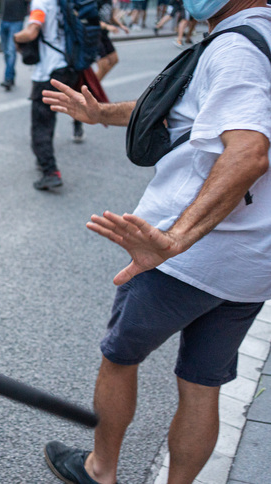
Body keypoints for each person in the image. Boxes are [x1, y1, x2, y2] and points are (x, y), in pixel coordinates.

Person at [40, 1, 271, 483]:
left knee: (120, 356)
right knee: (202, 385)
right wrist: (101, 113)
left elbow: (249, 152)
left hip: (187, 258)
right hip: (253, 262)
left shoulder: (235, 48)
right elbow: (184, 115)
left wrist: (175, 238)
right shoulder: (256, 37)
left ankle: (100, 469)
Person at [14, 0, 80, 190]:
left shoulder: (41, 2)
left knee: (41, 124)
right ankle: (43, 156)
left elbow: (32, 32)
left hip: (48, 72)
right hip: (66, 65)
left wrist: (16, 37)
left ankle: (50, 171)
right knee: (49, 118)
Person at [0, 0, 28, 91]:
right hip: (4, 19)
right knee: (6, 51)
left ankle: (8, 78)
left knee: (10, 51)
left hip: (16, 21)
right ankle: (11, 74)